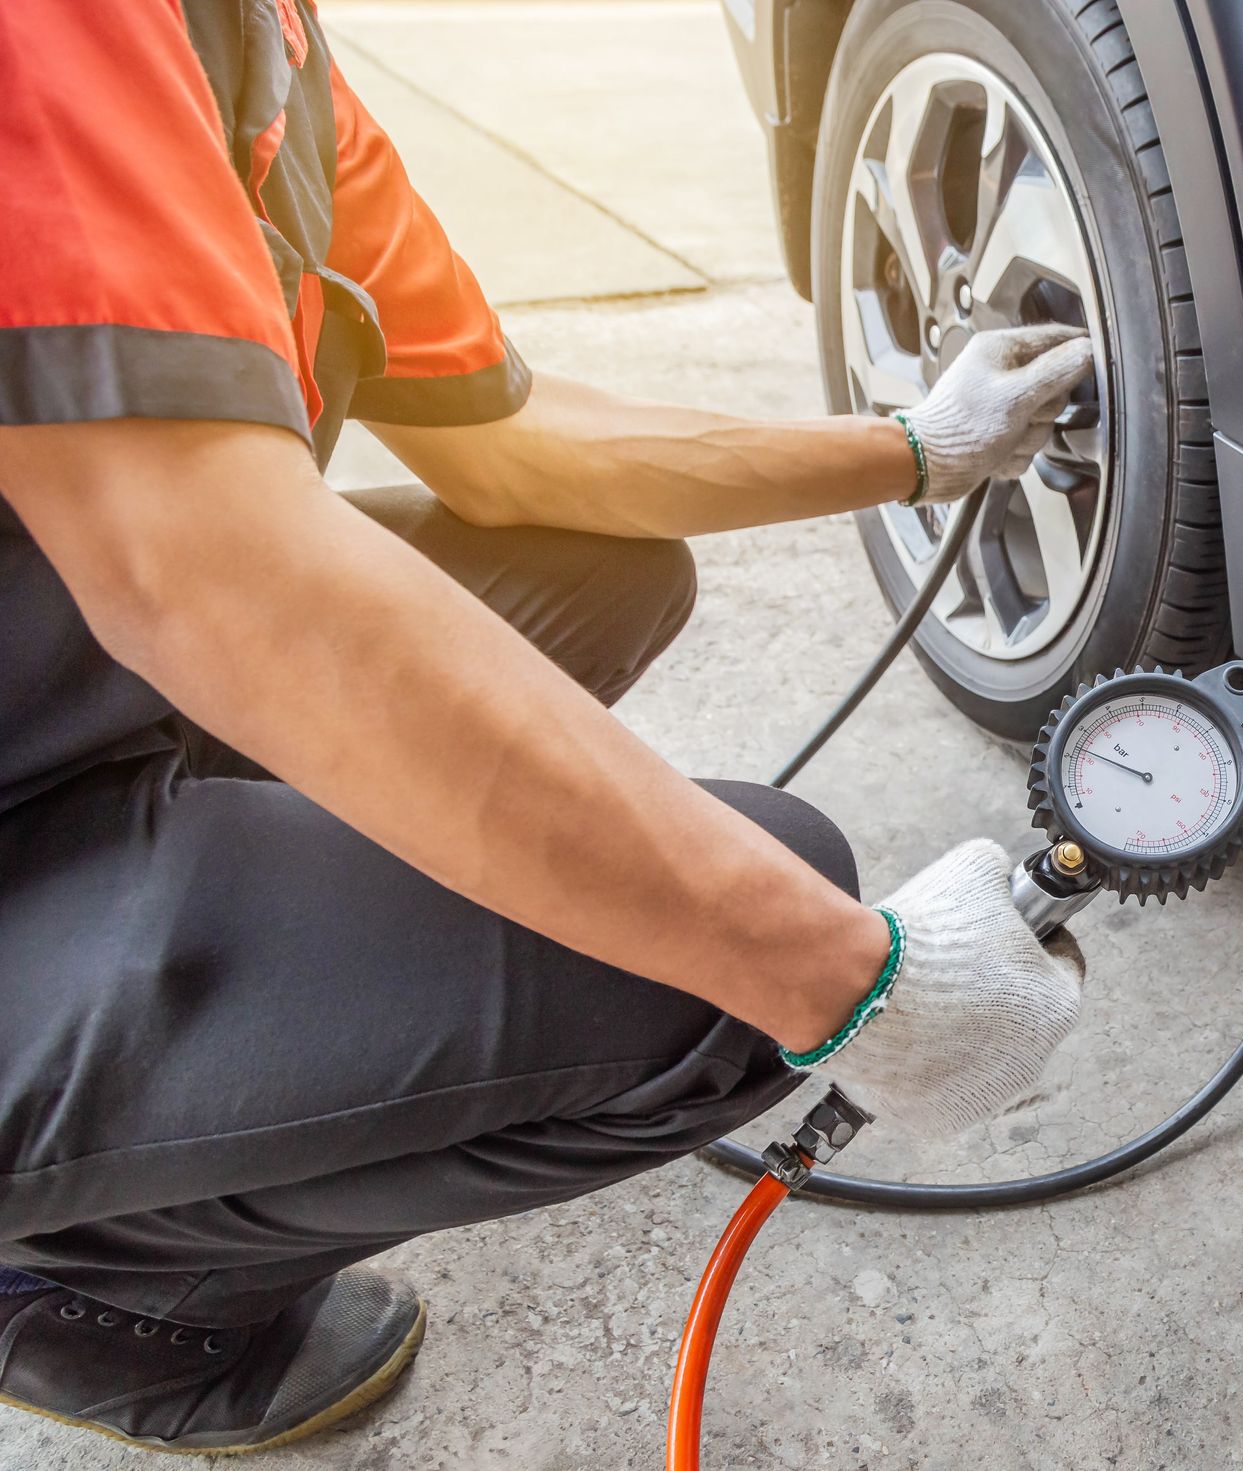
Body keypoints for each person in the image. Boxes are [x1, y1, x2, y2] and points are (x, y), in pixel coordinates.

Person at [0, 0, 1093, 1452]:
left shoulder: (264, 51)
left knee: (596, 578)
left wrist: (917, 452)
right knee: (733, 963)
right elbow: (199, 571)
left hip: (43, 715)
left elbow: (521, 451)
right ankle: (104, 1305)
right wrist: (843, 974)